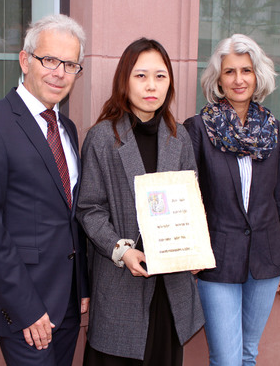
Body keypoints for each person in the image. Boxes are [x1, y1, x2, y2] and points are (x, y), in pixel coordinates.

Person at [0, 14, 89, 366]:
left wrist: (83, 286)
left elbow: (69, 215)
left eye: (70, 64)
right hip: (25, 309)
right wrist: (27, 309)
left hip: (67, 304)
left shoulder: (68, 128)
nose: (59, 72)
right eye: (49, 60)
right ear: (25, 60)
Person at [76, 38, 204, 366]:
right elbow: (89, 208)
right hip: (122, 285)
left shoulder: (179, 137)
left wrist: (196, 248)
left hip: (170, 288)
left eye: (160, 77)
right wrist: (121, 250)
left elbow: (190, 202)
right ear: (125, 81)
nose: (151, 86)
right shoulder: (102, 137)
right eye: (141, 76)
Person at [183, 34, 280, 366]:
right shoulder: (197, 129)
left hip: (266, 259)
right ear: (218, 79)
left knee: (248, 353)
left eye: (246, 70)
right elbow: (188, 198)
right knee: (227, 358)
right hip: (217, 260)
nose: (239, 79)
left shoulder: (273, 130)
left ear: (257, 75)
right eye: (230, 71)